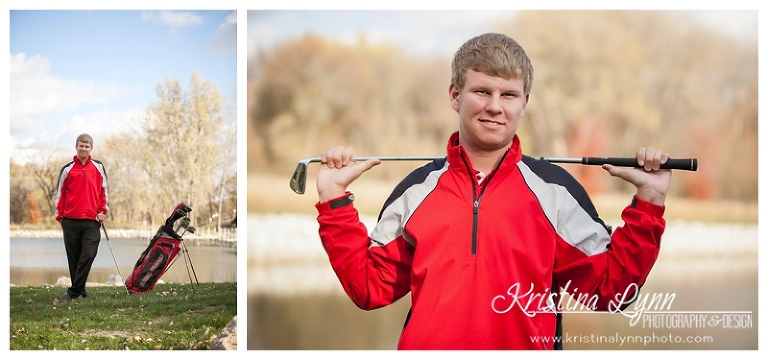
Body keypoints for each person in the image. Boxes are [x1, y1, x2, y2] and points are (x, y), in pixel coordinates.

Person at [314, 33, 673, 350]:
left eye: (509, 95)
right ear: (456, 95)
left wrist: (650, 202)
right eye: (482, 91)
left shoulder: (555, 192)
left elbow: (612, 291)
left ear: (524, 103)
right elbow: (368, 286)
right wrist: (334, 200)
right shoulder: (415, 192)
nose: (495, 106)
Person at [55, 133, 109, 301]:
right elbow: (60, 195)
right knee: (74, 258)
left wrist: (103, 211)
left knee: (88, 254)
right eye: (81, 146)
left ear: (91, 148)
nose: (84, 148)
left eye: (87, 146)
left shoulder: (98, 167)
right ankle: (78, 292)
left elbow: (103, 192)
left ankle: (73, 291)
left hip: (92, 220)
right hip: (70, 220)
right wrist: (61, 218)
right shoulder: (67, 169)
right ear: (76, 147)